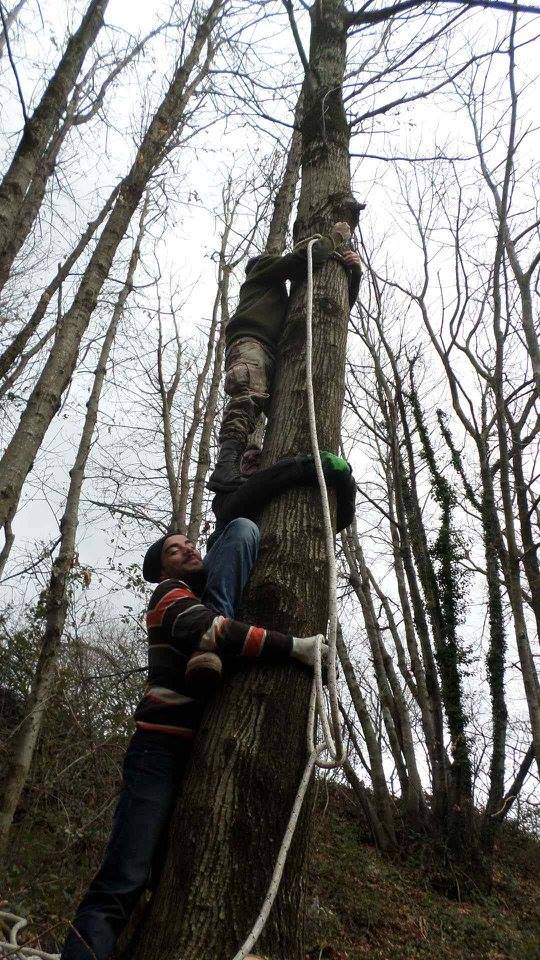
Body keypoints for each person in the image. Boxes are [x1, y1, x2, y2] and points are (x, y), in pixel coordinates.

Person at [61, 520, 327, 960]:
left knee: (163, 881)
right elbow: (214, 631)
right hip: (157, 751)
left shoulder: (200, 594)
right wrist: (295, 647)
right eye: (174, 550)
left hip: (190, 752)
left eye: (189, 544)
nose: (187, 549)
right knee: (123, 881)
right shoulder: (168, 596)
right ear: (162, 570)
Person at [207, 222, 361, 492]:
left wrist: (354, 273)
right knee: (248, 396)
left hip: (273, 353)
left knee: (282, 414)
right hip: (252, 342)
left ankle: (271, 472)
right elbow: (303, 260)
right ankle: (225, 467)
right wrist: (335, 238)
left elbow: (340, 306)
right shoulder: (261, 271)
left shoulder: (281, 299)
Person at [208, 445, 356, 550]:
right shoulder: (225, 494)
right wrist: (302, 466)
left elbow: (344, 517)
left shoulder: (273, 481)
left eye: (257, 456)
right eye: (245, 460)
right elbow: (242, 499)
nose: (251, 459)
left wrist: (346, 479)